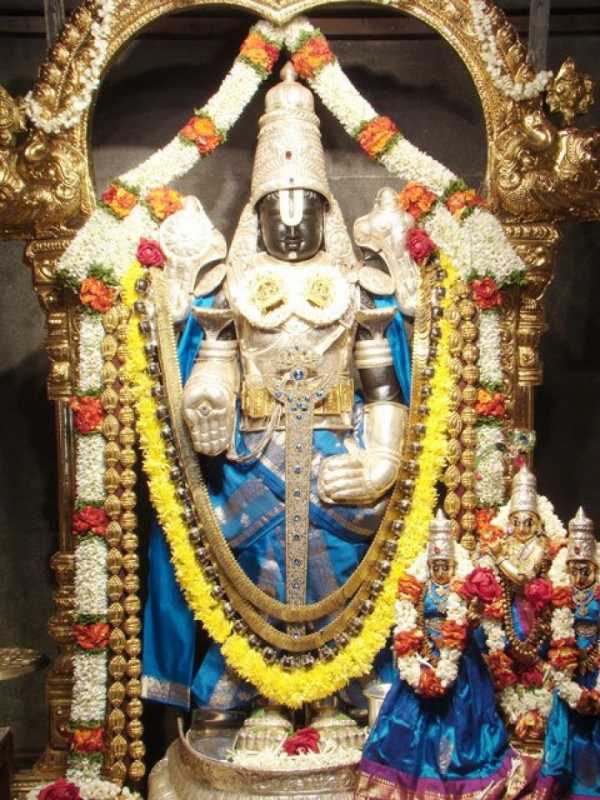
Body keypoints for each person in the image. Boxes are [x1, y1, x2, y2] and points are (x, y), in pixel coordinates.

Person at [140, 64, 416, 712]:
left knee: (346, 564)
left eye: (304, 208)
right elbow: (215, 358)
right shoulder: (230, 287)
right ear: (256, 214)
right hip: (253, 462)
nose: (291, 224)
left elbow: (382, 386)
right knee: (250, 569)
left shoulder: (360, 289)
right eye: (276, 208)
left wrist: (383, 458)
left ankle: (345, 686)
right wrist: (207, 397)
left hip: (337, 455)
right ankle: (253, 691)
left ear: (325, 211)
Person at [356, 510, 515, 800]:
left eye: (446, 566)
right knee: (406, 728)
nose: (441, 571)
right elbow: (409, 622)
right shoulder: (418, 585)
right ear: (429, 564)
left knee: (464, 729)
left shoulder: (463, 586)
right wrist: (418, 657)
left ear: (454, 564)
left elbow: (476, 620)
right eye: (436, 566)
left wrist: (474, 613)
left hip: (460, 666)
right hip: (423, 658)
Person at [536, 508, 600, 800]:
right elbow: (552, 634)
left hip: (595, 666)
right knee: (565, 725)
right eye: (574, 570)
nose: (579, 577)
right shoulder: (560, 593)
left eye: (585, 570)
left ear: (594, 568)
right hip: (568, 665)